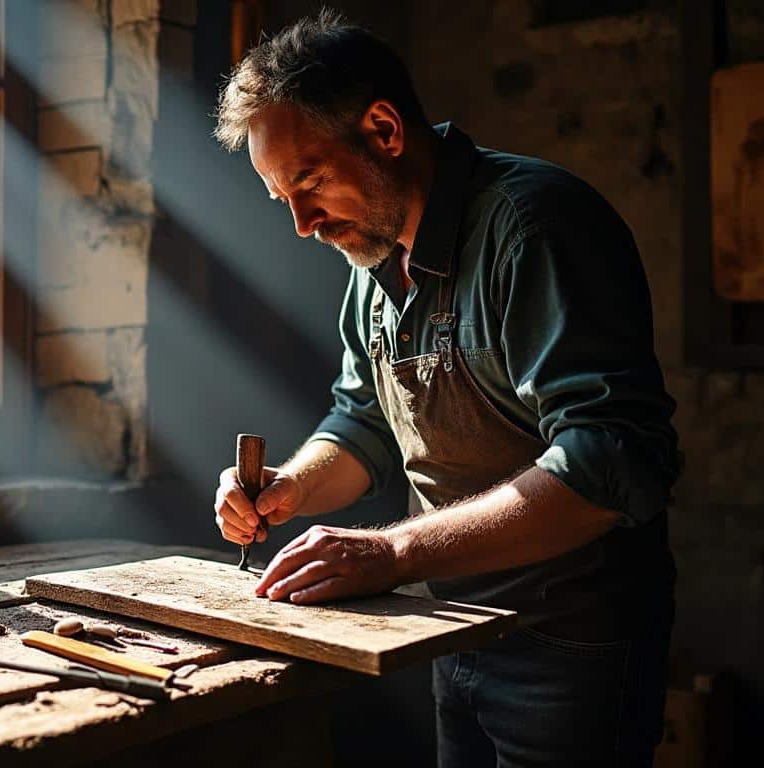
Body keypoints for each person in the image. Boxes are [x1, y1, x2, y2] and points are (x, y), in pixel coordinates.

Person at [210, 10, 680, 767]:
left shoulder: (534, 227)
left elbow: (608, 462)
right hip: (452, 623)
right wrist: (290, 488)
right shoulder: (370, 262)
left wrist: (392, 553)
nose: (302, 224)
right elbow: (363, 424)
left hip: (572, 641)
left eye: (311, 183)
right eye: (281, 199)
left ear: (385, 131)